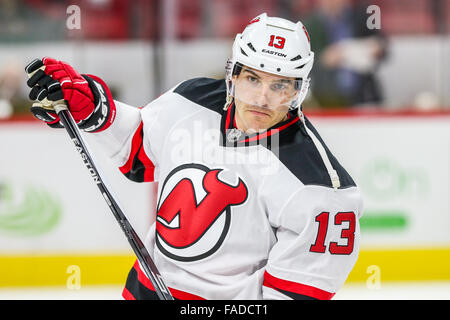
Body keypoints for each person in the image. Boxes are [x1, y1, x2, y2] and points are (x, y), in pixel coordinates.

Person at [25, 13, 363, 300]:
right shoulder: (193, 98)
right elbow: (139, 154)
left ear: (299, 90)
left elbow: (293, 292)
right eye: (252, 78)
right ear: (234, 73)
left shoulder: (321, 188)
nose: (262, 98)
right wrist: (92, 109)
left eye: (280, 85)